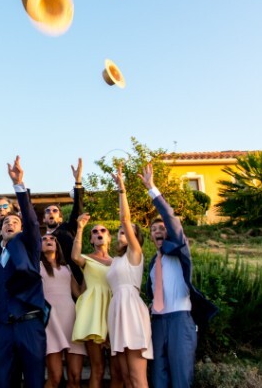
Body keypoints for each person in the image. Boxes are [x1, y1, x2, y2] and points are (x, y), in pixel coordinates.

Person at [139, 164, 218, 388]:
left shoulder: (180, 251)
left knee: (181, 377)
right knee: (159, 377)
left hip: (180, 319)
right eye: (154, 230)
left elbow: (170, 217)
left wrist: (152, 189)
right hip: (158, 322)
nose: (158, 232)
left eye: (162, 229)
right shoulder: (153, 264)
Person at [0, 156, 50, 388]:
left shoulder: (30, 248)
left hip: (29, 326)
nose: (9, 224)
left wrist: (19, 185)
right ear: (0, 231)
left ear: (21, 228)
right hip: (3, 330)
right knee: (3, 384)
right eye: (5, 223)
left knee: (34, 383)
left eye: (14, 221)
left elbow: (33, 223)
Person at [107, 163, 152, 388]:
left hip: (132, 310)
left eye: (128, 230)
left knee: (137, 377)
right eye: (121, 231)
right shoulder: (115, 260)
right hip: (117, 311)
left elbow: (125, 218)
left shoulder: (135, 253)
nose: (122, 230)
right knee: (124, 377)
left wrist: (121, 188)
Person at [71, 214, 113, 388]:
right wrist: (80, 228)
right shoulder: (86, 259)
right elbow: (74, 256)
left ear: (109, 237)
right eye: (94, 232)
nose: (98, 233)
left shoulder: (117, 262)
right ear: (91, 240)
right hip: (93, 314)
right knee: (98, 368)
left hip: (113, 311)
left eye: (103, 230)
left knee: (118, 371)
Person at [40, 232, 86, 388]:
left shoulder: (66, 268)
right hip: (50, 322)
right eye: (44, 239)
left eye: (52, 239)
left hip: (71, 321)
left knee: (75, 377)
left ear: (57, 245)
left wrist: (88, 271)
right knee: (55, 377)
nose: (48, 240)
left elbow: (78, 293)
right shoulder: (36, 267)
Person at [43, 158, 86, 285]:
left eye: (55, 211)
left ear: (60, 218)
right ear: (44, 219)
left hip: (74, 279)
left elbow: (77, 209)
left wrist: (78, 182)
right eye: (48, 211)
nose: (51, 212)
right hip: (51, 281)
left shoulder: (68, 229)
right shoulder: (42, 239)